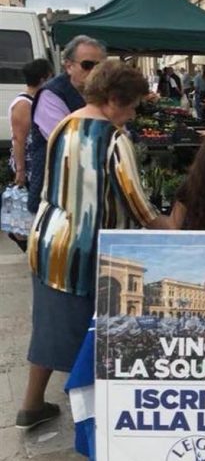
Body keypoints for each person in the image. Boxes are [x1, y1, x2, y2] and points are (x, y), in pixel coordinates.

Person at [17, 60, 172, 430]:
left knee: (49, 326)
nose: (134, 113)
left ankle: (31, 405)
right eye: (133, 104)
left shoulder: (64, 126)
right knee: (93, 339)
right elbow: (139, 204)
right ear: (115, 99)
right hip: (88, 252)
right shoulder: (114, 138)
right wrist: (173, 228)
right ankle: (95, 420)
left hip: (49, 241)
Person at [28, 35, 107, 213]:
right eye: (87, 65)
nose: (94, 71)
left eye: (99, 66)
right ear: (69, 66)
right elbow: (70, 143)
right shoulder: (51, 95)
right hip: (56, 194)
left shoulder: (103, 94)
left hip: (87, 193)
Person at [8, 59, 53, 187]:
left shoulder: (36, 100)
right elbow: (19, 139)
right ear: (43, 79)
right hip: (28, 165)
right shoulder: (24, 104)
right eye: (51, 77)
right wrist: (20, 170)